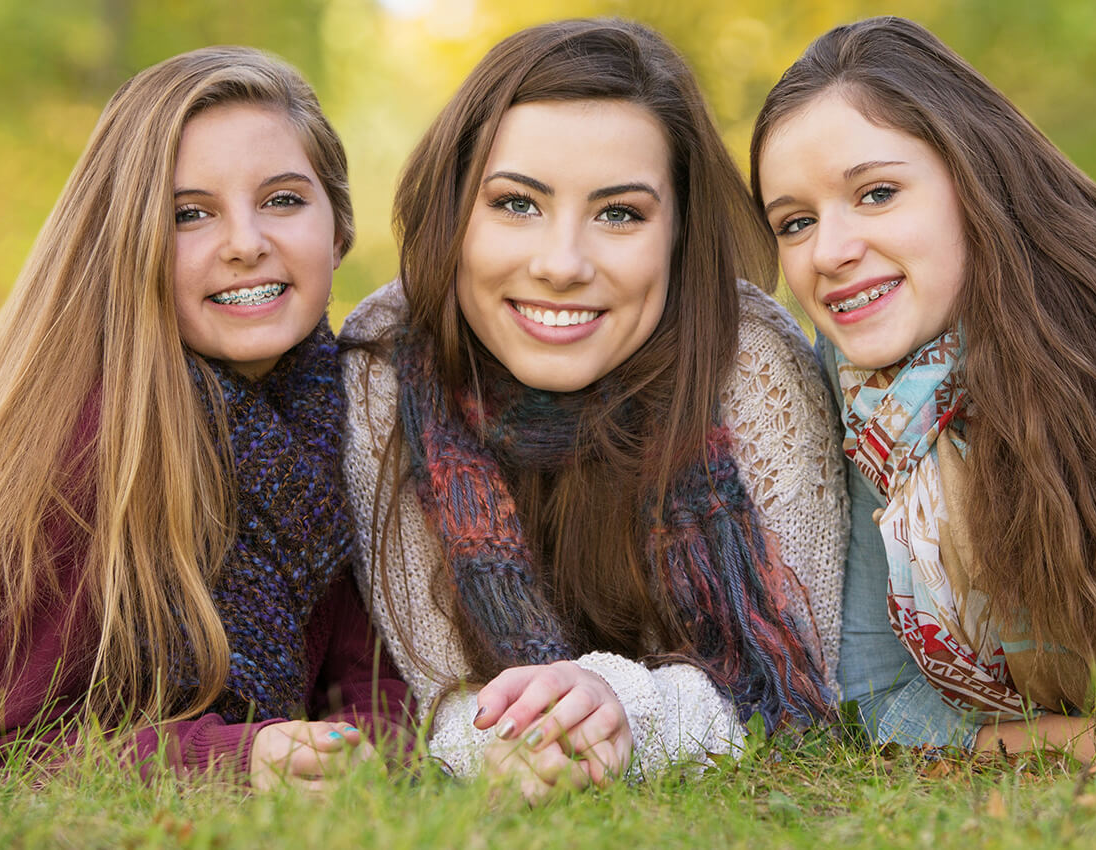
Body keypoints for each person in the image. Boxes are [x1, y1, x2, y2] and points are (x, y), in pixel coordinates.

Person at [750, 16, 1096, 761]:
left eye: (878, 193)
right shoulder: (860, 392)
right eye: (794, 223)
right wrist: (1073, 742)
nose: (829, 251)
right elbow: (875, 693)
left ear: (973, 179)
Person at [341, 18, 847, 800]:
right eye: (516, 204)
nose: (562, 264)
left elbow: (800, 665)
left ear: (679, 235)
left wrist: (626, 713)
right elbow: (440, 686)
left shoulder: (749, 361)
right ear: (453, 211)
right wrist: (511, 745)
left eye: (619, 214)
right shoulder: (389, 361)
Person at [0, 46, 412, 789]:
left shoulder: (342, 414)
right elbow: (0, 748)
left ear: (338, 230)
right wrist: (238, 759)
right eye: (190, 214)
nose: (247, 243)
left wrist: (358, 745)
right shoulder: (92, 443)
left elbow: (368, 678)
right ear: (131, 245)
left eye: (283, 200)